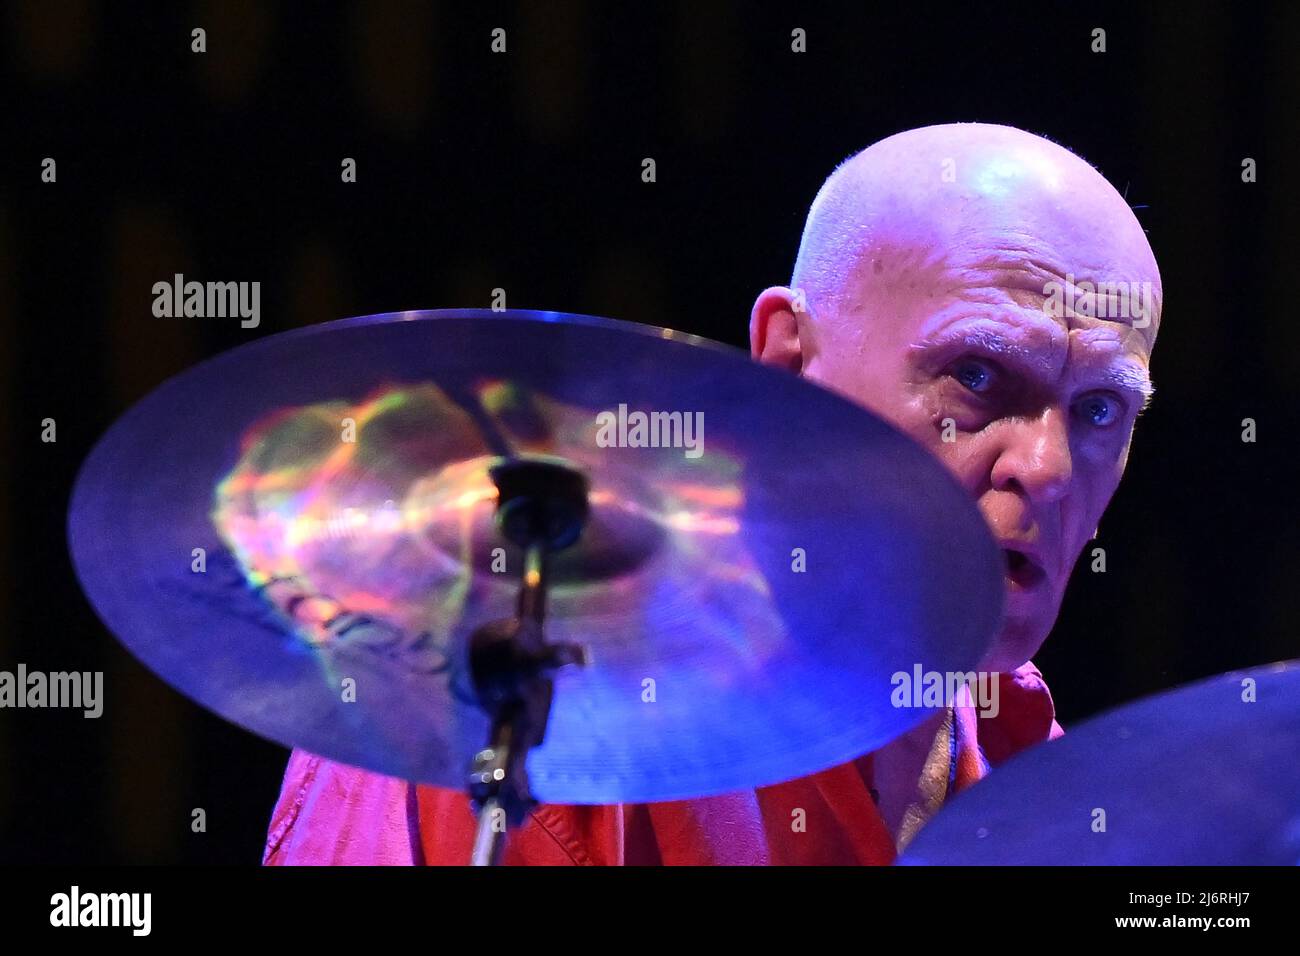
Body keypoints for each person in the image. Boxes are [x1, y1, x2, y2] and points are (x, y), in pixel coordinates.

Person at [263, 122, 1163, 865]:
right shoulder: (506, 706)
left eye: (1098, 409)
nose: (1045, 469)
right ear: (788, 363)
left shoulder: (1034, 770)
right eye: (976, 374)